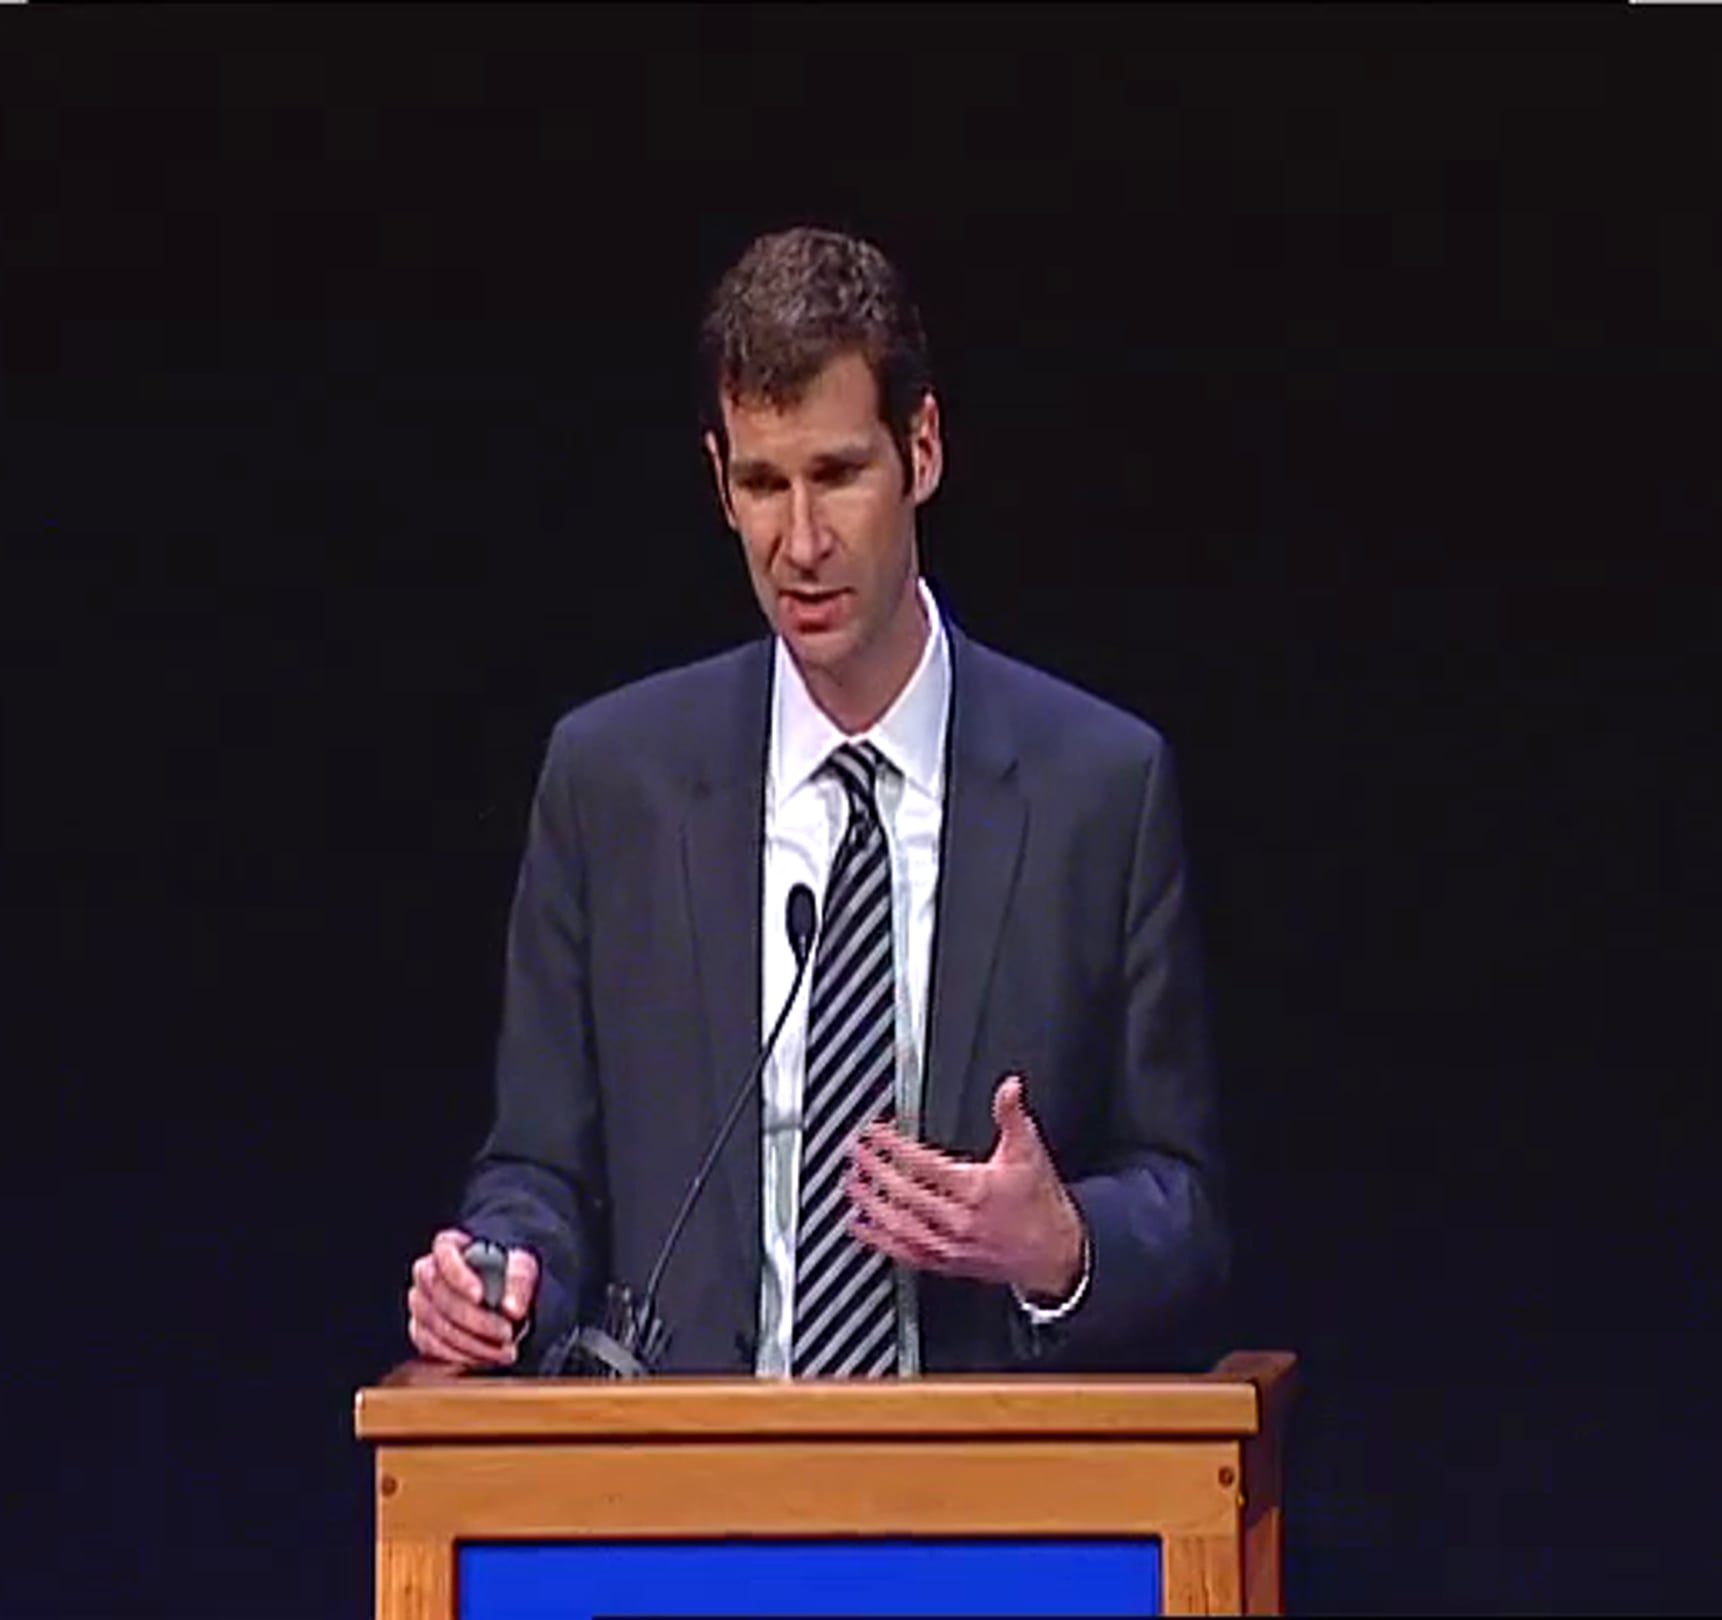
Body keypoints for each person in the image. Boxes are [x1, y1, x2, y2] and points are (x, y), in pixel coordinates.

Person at [404, 225, 1231, 1377]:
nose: (800, 543)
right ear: (719, 481)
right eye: (762, 484)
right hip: (685, 1468)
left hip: (986, 1466)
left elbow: (1184, 1206)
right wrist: (501, 1278)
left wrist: (1063, 1247)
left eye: (838, 475)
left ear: (922, 451)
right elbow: (538, 1170)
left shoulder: (1098, 791)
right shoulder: (613, 783)